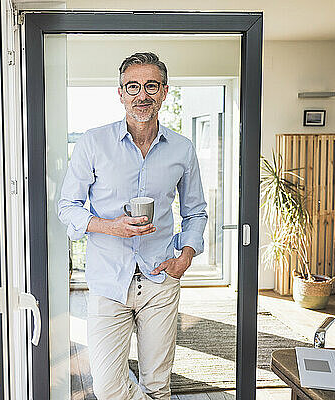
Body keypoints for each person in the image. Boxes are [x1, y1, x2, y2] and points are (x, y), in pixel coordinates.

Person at [58, 52, 208, 399]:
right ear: (121, 93)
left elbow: (196, 210)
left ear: (164, 91)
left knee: (158, 385)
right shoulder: (93, 142)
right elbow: (68, 207)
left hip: (160, 279)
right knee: (110, 387)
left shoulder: (182, 149)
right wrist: (111, 226)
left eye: (151, 86)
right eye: (133, 86)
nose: (142, 95)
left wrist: (185, 256)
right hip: (109, 282)